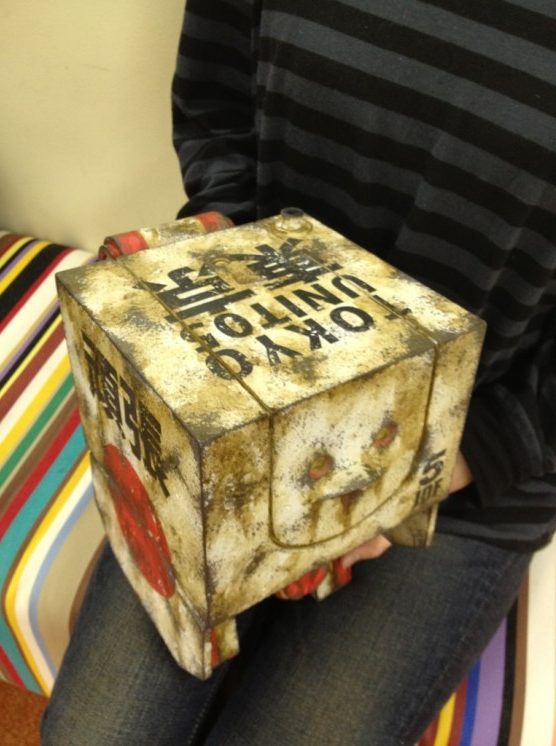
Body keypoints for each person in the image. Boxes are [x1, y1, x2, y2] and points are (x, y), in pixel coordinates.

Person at [42, 1, 556, 743]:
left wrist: (433, 463)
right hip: (242, 404)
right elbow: (217, 113)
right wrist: (210, 263)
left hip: (468, 465)